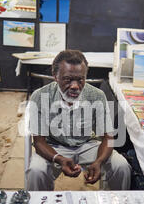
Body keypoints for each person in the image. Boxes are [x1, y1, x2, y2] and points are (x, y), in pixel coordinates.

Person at [26, 50, 131, 191]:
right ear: (55, 76)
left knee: (122, 167)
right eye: (68, 79)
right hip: (54, 147)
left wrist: (99, 162)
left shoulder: (96, 96)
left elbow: (108, 137)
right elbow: (39, 143)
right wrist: (59, 158)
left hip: (87, 144)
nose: (75, 86)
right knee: (36, 171)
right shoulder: (40, 96)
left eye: (80, 79)